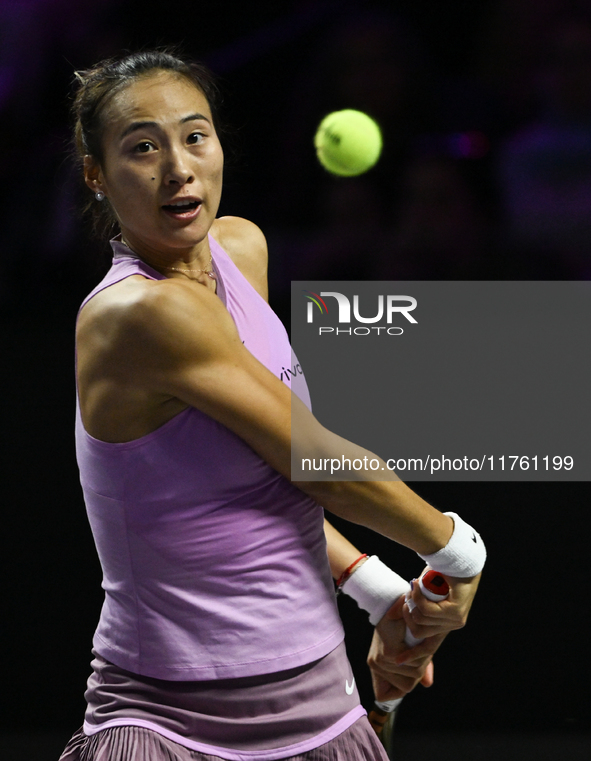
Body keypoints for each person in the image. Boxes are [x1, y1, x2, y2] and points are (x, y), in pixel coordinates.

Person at [59, 50, 484, 761]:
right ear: (95, 175)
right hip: (168, 721)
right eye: (141, 147)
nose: (177, 167)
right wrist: (458, 550)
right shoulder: (137, 313)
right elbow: (313, 459)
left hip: (321, 702)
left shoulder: (240, 249)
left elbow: (250, 485)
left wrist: (375, 589)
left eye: (194, 136)